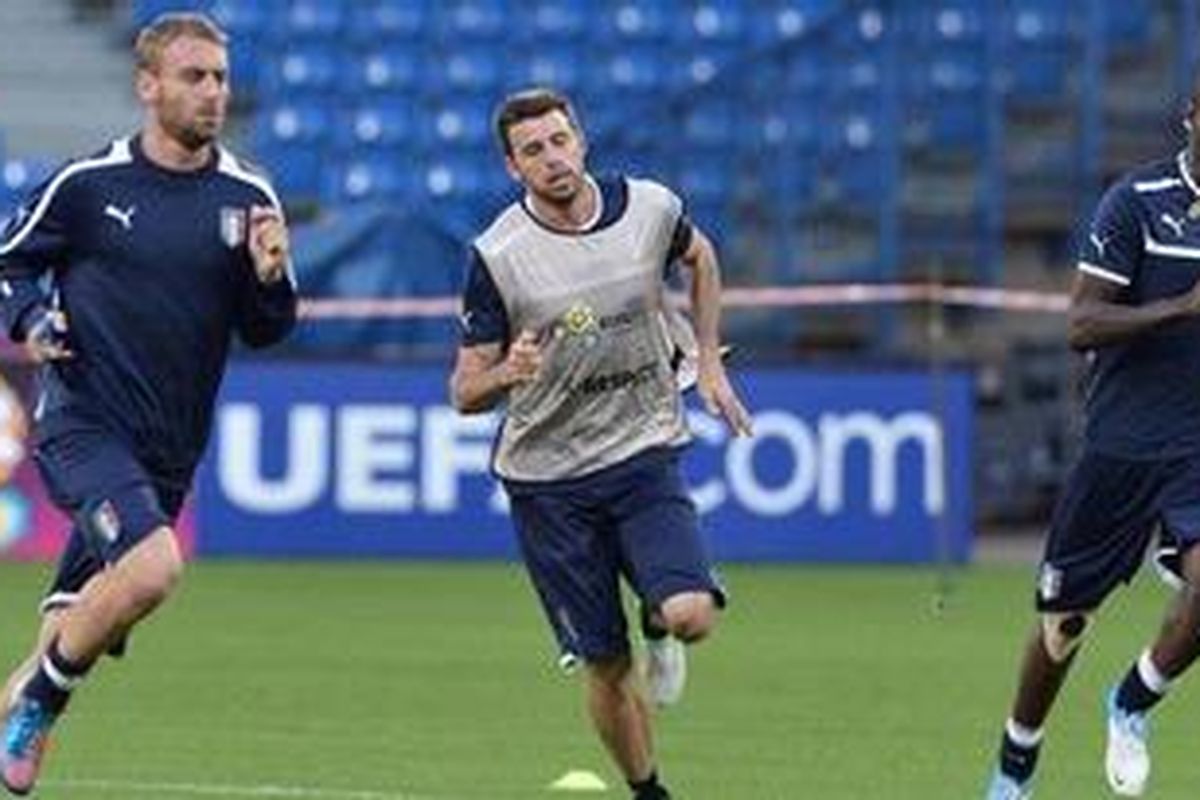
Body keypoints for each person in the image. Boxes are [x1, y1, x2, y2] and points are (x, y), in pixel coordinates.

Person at [0, 12, 296, 795]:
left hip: (170, 449)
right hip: (85, 422)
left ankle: (21, 698)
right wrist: (30, 320)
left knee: (81, 621)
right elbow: (10, 264)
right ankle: (38, 703)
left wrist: (269, 277)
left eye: (221, 78)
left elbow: (266, 332)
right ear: (148, 86)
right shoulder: (88, 185)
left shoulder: (247, 194)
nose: (211, 93)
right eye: (194, 76)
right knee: (154, 569)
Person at [450, 87, 751, 800]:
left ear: (580, 141)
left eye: (560, 141)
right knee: (606, 669)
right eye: (533, 150)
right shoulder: (498, 255)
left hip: (643, 452)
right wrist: (506, 373)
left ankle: (660, 618)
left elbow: (701, 257)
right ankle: (650, 792)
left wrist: (706, 359)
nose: (552, 158)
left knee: (691, 616)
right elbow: (464, 391)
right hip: (548, 483)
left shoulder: (648, 207)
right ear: (512, 165)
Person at [985, 82, 1200, 799]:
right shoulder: (1137, 200)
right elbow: (1081, 325)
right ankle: (1017, 760)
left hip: (1196, 449)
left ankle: (1133, 701)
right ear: (1192, 120)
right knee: (1063, 624)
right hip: (1122, 444)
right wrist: (1181, 308)